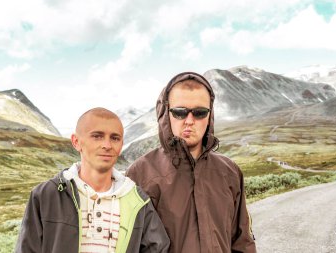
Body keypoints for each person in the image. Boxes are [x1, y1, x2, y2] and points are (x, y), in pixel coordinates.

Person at [126, 72, 256, 253]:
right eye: (179, 113)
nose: (189, 121)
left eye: (200, 113)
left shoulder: (230, 172)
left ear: (210, 116)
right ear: (165, 113)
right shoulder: (140, 174)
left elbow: (242, 242)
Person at [15, 107, 170, 253]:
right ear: (76, 142)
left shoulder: (137, 202)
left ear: (121, 144)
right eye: (97, 136)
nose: (107, 145)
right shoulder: (45, 196)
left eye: (115, 138)